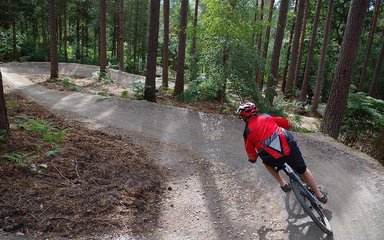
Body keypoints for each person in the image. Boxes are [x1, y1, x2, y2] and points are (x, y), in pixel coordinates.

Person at [236, 102, 327, 204]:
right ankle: (320, 195)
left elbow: (252, 156)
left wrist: (253, 158)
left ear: (243, 116)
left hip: (272, 158)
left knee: (266, 164)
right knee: (303, 170)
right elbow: (287, 124)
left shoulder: (247, 132)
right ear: (256, 110)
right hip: (289, 147)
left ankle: (283, 184)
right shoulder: (266, 116)